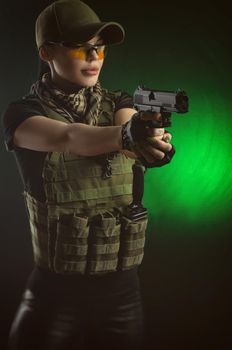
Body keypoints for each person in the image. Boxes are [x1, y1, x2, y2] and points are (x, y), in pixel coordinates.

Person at [1, 1, 174, 349]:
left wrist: (152, 143)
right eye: (82, 48)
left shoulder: (119, 103)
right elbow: (70, 137)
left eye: (100, 48)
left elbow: (129, 134)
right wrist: (128, 137)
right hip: (54, 295)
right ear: (47, 51)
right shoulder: (22, 115)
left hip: (122, 293)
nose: (94, 57)